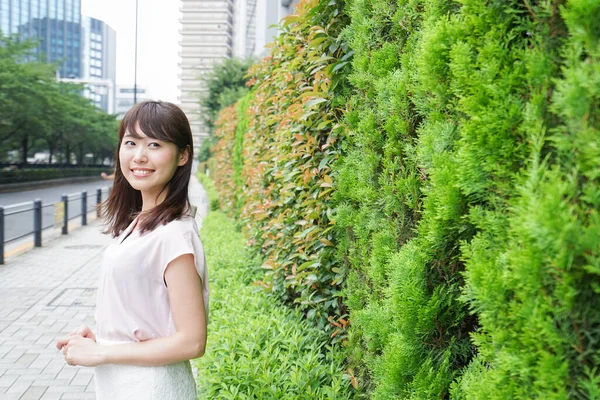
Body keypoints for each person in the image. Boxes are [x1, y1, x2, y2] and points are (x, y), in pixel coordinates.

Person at [56, 101, 209, 399]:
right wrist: (104, 340)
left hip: (151, 386)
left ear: (183, 155)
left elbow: (192, 342)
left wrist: (101, 353)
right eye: (130, 143)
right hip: (124, 381)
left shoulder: (173, 234)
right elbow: (151, 317)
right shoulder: (141, 222)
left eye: (154, 144)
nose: (139, 156)